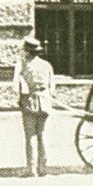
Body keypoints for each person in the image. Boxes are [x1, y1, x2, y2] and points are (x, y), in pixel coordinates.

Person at [13, 35, 55, 177]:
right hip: (45, 102)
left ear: (27, 51)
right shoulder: (47, 65)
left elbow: (15, 87)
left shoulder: (22, 65)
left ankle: (30, 169)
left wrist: (19, 99)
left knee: (30, 136)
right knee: (43, 136)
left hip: (29, 103)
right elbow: (52, 88)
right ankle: (43, 168)